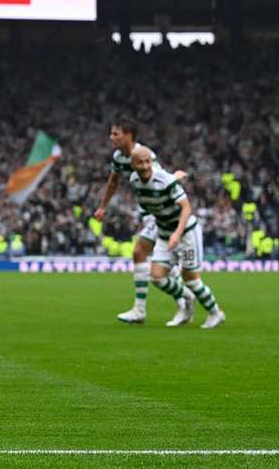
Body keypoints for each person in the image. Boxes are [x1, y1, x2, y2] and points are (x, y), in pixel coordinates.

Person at [93, 117, 185, 324]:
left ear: (128, 135)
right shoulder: (118, 157)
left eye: (115, 133)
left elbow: (161, 179)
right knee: (156, 260)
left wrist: (175, 180)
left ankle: (148, 308)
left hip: (159, 212)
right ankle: (175, 302)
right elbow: (113, 182)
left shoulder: (145, 155)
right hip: (147, 212)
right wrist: (102, 206)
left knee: (139, 252)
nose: (111, 137)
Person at [129, 146, 226, 329]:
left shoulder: (164, 180)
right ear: (132, 164)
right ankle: (186, 297)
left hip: (186, 232)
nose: (145, 165)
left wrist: (177, 233)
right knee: (157, 277)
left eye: (148, 161)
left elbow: (186, 207)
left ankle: (215, 313)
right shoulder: (134, 181)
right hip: (165, 232)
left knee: (191, 279)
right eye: (140, 162)